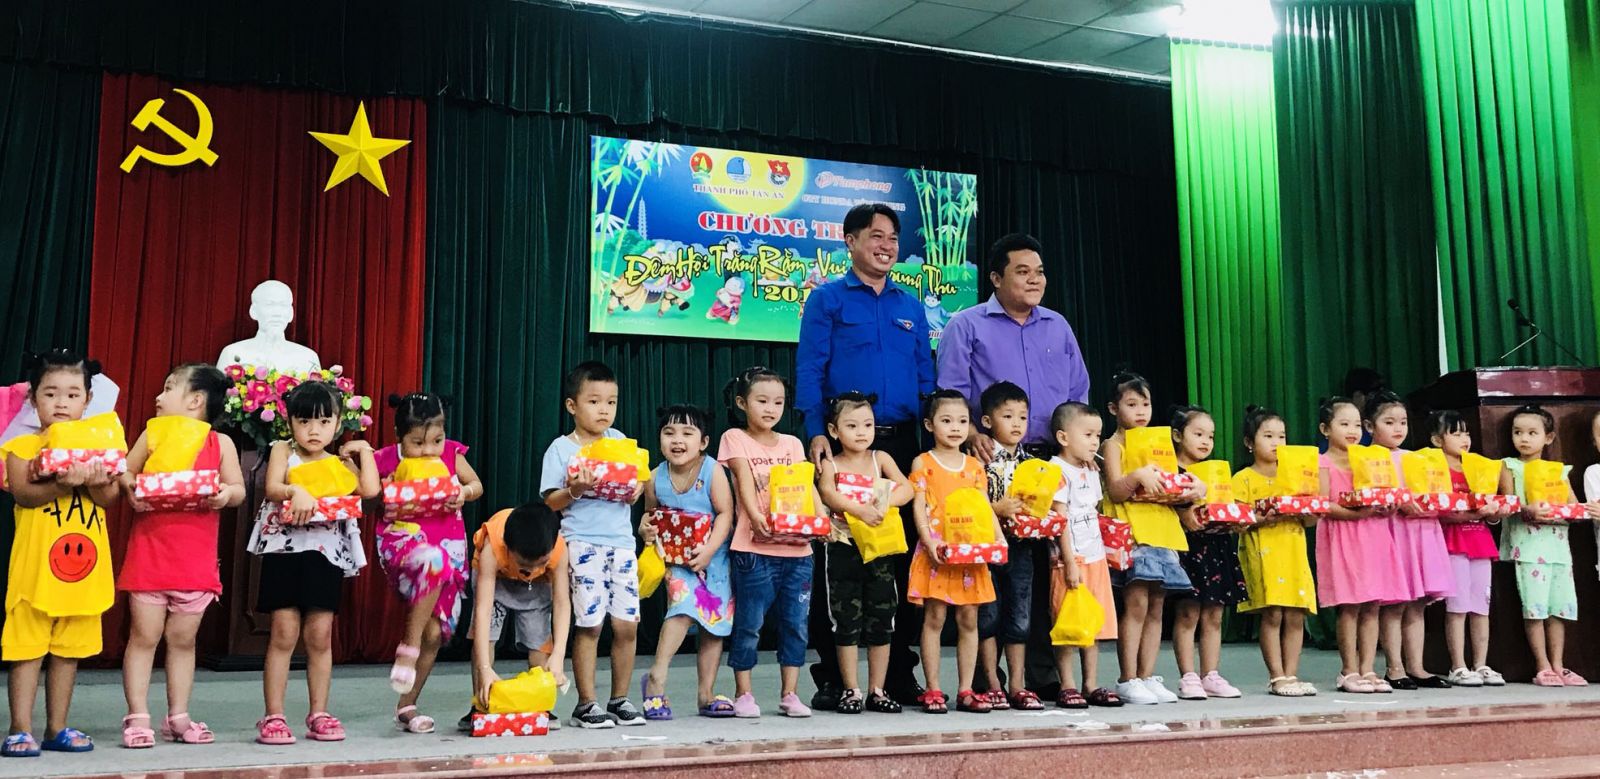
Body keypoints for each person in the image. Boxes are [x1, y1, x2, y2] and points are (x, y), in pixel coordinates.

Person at [797, 202, 933, 707]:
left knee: (896, 565)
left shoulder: (909, 304)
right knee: (839, 565)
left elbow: (925, 375)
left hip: (898, 445)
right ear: (850, 241)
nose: (887, 246)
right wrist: (817, 432)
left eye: (893, 238)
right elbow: (810, 368)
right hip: (842, 442)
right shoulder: (828, 299)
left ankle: (896, 675)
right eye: (876, 236)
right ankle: (835, 678)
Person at [2, 351, 123, 758]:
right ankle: (20, 727)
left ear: (88, 401)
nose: (61, 403)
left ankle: (57, 727)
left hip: (83, 574)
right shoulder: (20, 445)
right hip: (35, 571)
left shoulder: (100, 446)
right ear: (33, 399)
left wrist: (91, 480)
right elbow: (23, 492)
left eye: (73, 395)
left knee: (68, 652)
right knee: (26, 648)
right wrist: (61, 485)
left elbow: (109, 498)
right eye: (50, 393)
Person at [118, 364, 245, 747]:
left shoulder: (219, 443)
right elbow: (126, 470)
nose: (159, 396)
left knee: (183, 640)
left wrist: (225, 494)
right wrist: (130, 489)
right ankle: (137, 715)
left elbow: (237, 488)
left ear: (195, 400)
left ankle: (178, 716)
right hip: (150, 554)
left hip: (195, 562)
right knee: (144, 635)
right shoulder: (151, 433)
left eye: (169, 387)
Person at [249, 380, 379, 745]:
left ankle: (318, 712)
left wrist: (363, 453)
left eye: (324, 422)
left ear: (338, 424)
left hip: (326, 554)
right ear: (290, 423)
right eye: (304, 421)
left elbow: (368, 492)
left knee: (320, 635)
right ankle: (273, 715)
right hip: (284, 551)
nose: (314, 430)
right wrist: (296, 490)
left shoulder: (339, 464)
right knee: (283, 632)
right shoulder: (282, 451)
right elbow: (274, 486)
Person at [541, 361, 646, 728]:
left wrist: (635, 490)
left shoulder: (620, 442)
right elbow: (550, 500)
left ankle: (620, 698)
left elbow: (638, 484)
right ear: (572, 406)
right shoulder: (561, 449)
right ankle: (587, 703)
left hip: (621, 544)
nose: (604, 410)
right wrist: (575, 490)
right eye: (595, 401)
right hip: (581, 543)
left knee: (627, 624)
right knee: (590, 624)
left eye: (611, 402)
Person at [373, 392, 484, 733]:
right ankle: (407, 645)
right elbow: (364, 495)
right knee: (430, 561)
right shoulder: (386, 458)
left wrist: (462, 494)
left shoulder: (451, 452)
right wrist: (385, 490)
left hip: (449, 543)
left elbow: (476, 484)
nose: (427, 450)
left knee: (435, 634)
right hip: (405, 542)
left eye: (435, 440)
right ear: (398, 436)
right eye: (416, 443)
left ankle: (407, 705)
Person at [719, 366, 825, 718]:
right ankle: (744, 693)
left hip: (797, 550)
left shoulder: (793, 443)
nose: (770, 408)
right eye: (761, 401)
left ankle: (790, 693)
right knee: (749, 624)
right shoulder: (735, 438)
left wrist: (821, 516)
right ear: (741, 403)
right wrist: (756, 515)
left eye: (778, 402)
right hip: (754, 549)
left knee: (796, 624)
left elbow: (806, 484)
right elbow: (743, 478)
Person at [936, 233, 1091, 461]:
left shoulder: (1058, 325)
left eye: (1039, 272)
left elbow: (1077, 394)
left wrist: (1081, 447)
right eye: (1022, 272)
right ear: (996, 279)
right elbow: (951, 394)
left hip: (1057, 459)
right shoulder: (965, 325)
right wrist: (971, 435)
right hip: (990, 458)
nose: (1034, 279)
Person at [816, 392, 913, 714]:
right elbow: (827, 493)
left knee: (883, 617)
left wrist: (882, 504)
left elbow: (908, 487)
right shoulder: (831, 463)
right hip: (844, 547)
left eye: (868, 425)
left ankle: (878, 689)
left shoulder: (880, 459)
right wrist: (858, 509)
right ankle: (851, 689)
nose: (861, 432)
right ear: (834, 431)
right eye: (852, 425)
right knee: (845, 620)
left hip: (880, 549)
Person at [1100, 371, 1193, 705]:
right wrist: (1137, 475)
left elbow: (1176, 484)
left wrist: (1192, 488)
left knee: (1157, 606)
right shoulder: (1113, 444)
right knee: (1136, 604)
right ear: (1113, 408)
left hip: (1163, 529)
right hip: (1133, 533)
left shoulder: (1160, 444)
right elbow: (1114, 488)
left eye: (1146, 404)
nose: (1140, 411)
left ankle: (1147, 674)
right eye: (1131, 404)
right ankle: (1128, 678)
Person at [638, 404, 736, 720]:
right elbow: (649, 515)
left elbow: (726, 514)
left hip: (714, 560)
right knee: (681, 609)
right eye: (669, 433)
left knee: (713, 626)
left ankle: (705, 693)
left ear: (703, 442)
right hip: (676, 562)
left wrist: (707, 553)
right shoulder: (654, 477)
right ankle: (656, 679)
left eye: (687, 433)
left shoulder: (712, 471)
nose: (677, 440)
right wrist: (645, 528)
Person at [908, 389, 1003, 714]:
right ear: (929, 424)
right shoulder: (923, 462)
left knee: (968, 618)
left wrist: (999, 537)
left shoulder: (975, 466)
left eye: (962, 421)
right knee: (934, 618)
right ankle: (933, 688)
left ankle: (965, 689)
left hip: (971, 553)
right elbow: (918, 507)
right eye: (946, 420)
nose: (955, 427)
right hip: (939, 551)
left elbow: (985, 507)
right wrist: (929, 542)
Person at [1317, 397, 1406, 694]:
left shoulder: (1371, 459)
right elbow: (1324, 505)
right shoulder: (1323, 462)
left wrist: (1388, 506)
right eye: (1344, 424)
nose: (1353, 430)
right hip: (1343, 536)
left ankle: (1368, 668)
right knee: (1350, 604)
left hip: (1374, 534)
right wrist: (1359, 512)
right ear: (1325, 429)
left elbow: (1387, 495)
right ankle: (1348, 670)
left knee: (1372, 603)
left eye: (1357, 424)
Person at [1368, 391, 1453, 689]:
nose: (1398, 429)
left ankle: (1417, 666)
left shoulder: (1416, 458)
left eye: (1402, 422)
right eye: (1389, 422)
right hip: (1391, 532)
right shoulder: (1367, 458)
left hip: (1420, 531)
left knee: (1417, 603)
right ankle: (1394, 667)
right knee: (1394, 604)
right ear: (1370, 426)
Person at [1233, 405, 1318, 697]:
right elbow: (1237, 522)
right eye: (1268, 436)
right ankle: (1276, 676)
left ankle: (1291, 675)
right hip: (1263, 553)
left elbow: (1309, 519)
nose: (1276, 442)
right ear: (1249, 442)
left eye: (1281, 436)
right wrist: (1261, 516)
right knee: (1272, 615)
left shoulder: (1295, 476)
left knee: (1296, 615)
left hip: (1293, 551)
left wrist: (1309, 505)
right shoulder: (1243, 478)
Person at [464, 503, 571, 732]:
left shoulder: (558, 551)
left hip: (538, 587)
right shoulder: (492, 548)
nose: (531, 569)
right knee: (485, 638)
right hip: (496, 582)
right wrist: (484, 668)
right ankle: (481, 702)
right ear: (508, 548)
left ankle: (540, 703)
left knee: (540, 642)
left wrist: (559, 655)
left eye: (541, 563)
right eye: (525, 564)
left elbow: (562, 603)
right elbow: (483, 609)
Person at [1500, 405, 1587, 686]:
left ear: (1548, 438)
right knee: (1534, 607)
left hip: (1558, 546)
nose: (1523, 439)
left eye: (1532, 433)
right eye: (1518, 432)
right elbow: (1509, 503)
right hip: (1528, 546)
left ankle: (1559, 665)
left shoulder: (1558, 471)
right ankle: (1542, 665)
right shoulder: (1509, 466)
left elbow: (1573, 506)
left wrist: (1584, 510)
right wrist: (1527, 510)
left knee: (1558, 607)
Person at [974, 382, 1044, 710]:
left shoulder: (1034, 464)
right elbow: (967, 504)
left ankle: (1017, 684)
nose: (1017, 424)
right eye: (1007, 416)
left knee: (1020, 616)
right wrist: (995, 510)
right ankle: (991, 682)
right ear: (987, 422)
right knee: (987, 616)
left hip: (1021, 547)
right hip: (986, 549)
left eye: (1023, 417)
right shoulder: (976, 461)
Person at [1168, 405, 1244, 700]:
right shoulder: (1172, 471)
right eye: (1197, 434)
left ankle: (1210, 674)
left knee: (1214, 614)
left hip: (1216, 546)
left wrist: (1235, 517)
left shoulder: (1216, 473)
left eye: (1210, 436)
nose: (1205, 442)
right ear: (1177, 435)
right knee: (1188, 613)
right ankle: (1188, 675)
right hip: (1188, 548)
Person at [1048, 401, 1121, 708]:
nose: (1095, 441)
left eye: (1098, 435)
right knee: (1068, 624)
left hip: (1095, 558)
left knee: (1092, 623)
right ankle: (1068, 684)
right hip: (1070, 561)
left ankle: (1091, 683)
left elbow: (1093, 510)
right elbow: (1060, 518)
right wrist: (1068, 562)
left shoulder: (1091, 470)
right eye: (1088, 435)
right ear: (1064, 438)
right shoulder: (1055, 469)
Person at [1433, 410, 1504, 687]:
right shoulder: (1436, 470)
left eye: (1467, 433)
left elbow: (1492, 510)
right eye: (1456, 433)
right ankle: (1458, 666)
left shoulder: (1478, 468)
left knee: (1480, 607)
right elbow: (1440, 511)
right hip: (1454, 541)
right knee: (1458, 606)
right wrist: (1475, 513)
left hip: (1480, 542)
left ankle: (1481, 664)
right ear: (1438, 440)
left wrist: (1493, 512)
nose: (1464, 439)